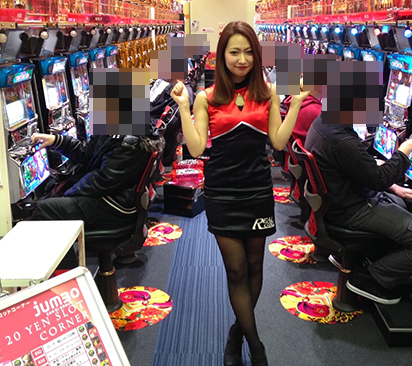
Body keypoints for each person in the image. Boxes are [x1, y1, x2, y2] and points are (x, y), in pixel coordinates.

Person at [170, 21, 308, 366]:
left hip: (257, 189)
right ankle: (256, 346)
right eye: (234, 52)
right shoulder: (207, 97)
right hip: (222, 192)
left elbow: (278, 142)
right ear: (222, 56)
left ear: (256, 56)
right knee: (235, 270)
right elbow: (197, 149)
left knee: (255, 266)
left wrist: (294, 105)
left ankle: (237, 333)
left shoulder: (268, 93)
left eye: (248, 52)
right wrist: (184, 107)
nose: (242, 59)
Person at [304, 119, 412, 305]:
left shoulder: (322, 122)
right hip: (352, 210)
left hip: (336, 204)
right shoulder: (342, 140)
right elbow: (379, 179)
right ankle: (369, 278)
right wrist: (407, 147)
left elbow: (358, 170)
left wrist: (394, 187)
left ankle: (363, 256)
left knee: (401, 203)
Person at [30, 132, 164, 266]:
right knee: (57, 200)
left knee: (46, 210)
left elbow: (103, 182)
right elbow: (87, 153)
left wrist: (68, 193)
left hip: (116, 207)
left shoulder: (130, 140)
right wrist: (57, 140)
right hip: (117, 196)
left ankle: (67, 274)